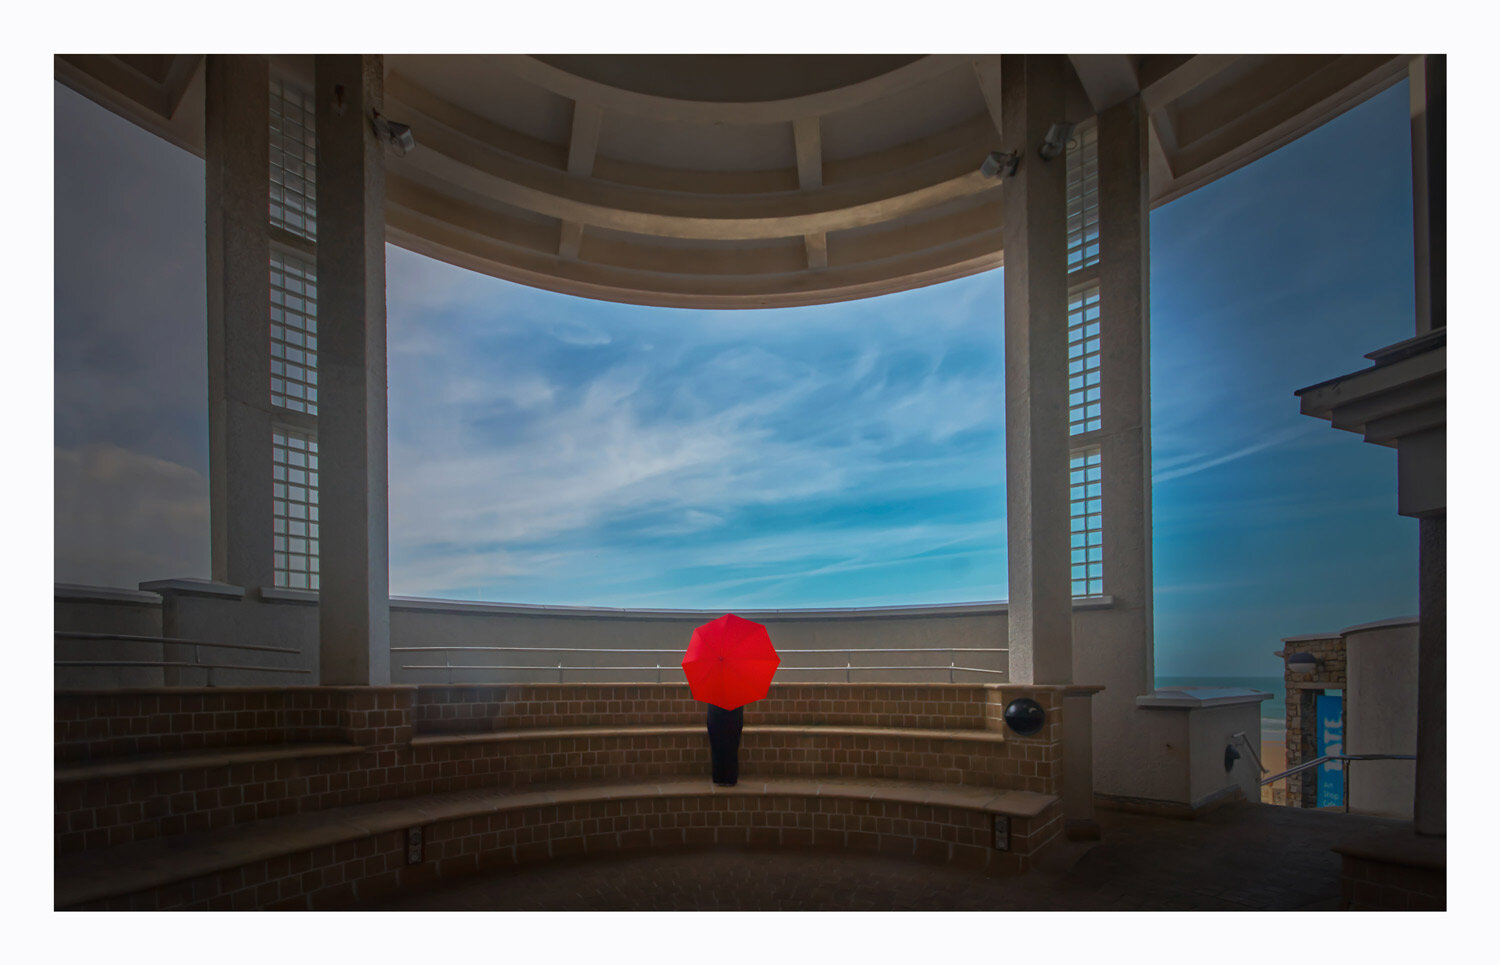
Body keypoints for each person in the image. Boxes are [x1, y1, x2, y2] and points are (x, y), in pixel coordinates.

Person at [705, 702, 744, 786]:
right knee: (732, 746)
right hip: (735, 710)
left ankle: (719, 777)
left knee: (717, 746)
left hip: (715, 710)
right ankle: (731, 777)